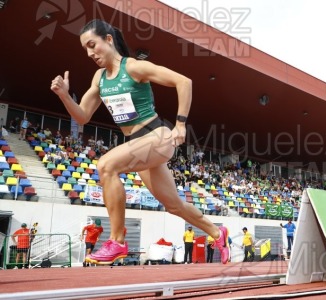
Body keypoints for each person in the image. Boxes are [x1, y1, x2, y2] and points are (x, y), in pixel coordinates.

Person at [50, 19, 229, 265]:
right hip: (138, 145)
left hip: (157, 136)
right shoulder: (99, 78)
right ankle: (218, 233)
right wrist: (64, 95)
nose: (90, 53)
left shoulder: (133, 67)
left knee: (106, 165)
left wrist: (180, 123)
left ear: (109, 40)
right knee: (173, 205)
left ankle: (117, 241)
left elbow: (184, 82)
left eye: (93, 45)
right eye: (86, 49)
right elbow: (82, 116)